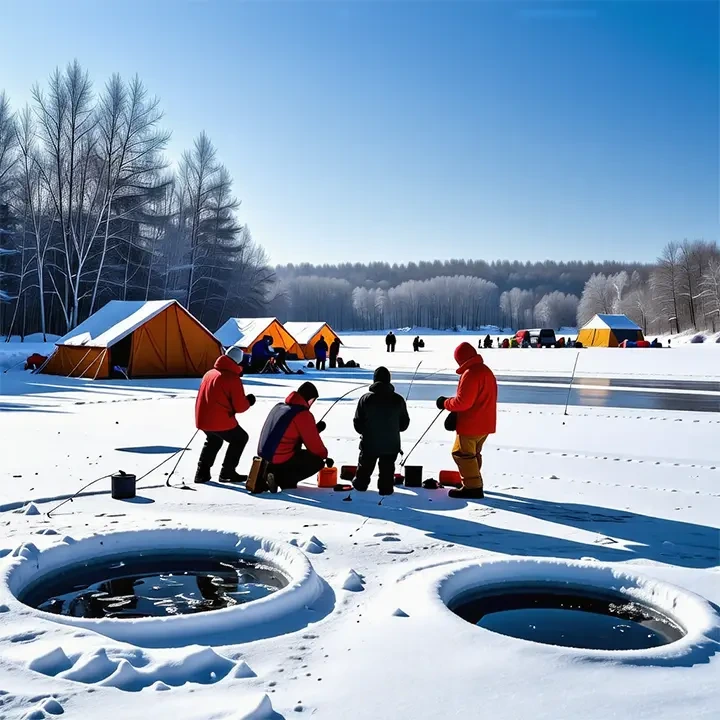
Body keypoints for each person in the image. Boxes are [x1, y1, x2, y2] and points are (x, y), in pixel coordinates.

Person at [436, 343, 497, 499]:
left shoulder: (471, 373)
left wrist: (445, 403)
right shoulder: (486, 370)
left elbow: (464, 402)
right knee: (473, 454)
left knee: (462, 454)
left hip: (472, 424)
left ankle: (473, 487)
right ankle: (474, 481)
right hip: (486, 423)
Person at [194, 346, 256, 483]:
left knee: (214, 440)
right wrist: (249, 401)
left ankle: (201, 473)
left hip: (203, 418)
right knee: (240, 438)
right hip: (220, 420)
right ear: (238, 362)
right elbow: (240, 407)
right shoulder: (232, 378)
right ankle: (227, 472)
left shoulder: (210, 373)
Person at [258, 381, 330, 491]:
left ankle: (271, 471)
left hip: (266, 455)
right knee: (317, 461)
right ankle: (283, 479)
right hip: (281, 456)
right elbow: (314, 445)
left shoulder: (280, 407)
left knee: (296, 450)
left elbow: (288, 431)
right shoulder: (303, 414)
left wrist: (314, 429)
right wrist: (324, 456)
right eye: (311, 400)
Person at [352, 367, 410, 496]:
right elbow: (404, 424)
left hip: (369, 443)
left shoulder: (366, 399)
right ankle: (386, 488)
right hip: (391, 444)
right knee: (387, 469)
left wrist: (365, 432)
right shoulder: (398, 400)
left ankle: (360, 485)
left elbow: (357, 423)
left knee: (365, 466)